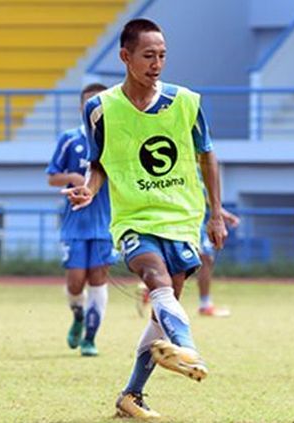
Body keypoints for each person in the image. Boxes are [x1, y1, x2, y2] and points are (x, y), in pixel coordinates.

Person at [63, 18, 228, 419]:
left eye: (162, 56)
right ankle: (188, 348)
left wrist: (216, 212)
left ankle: (131, 396)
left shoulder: (187, 101)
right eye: (148, 55)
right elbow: (100, 163)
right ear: (126, 57)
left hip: (181, 217)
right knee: (154, 278)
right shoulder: (100, 109)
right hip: (133, 218)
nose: (157, 63)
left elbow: (207, 156)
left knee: (161, 311)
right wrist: (89, 187)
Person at [46, 82, 115, 357]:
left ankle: (90, 337)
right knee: (76, 281)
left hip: (105, 222)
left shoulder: (116, 139)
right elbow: (52, 177)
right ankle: (77, 315)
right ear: (81, 107)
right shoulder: (69, 139)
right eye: (89, 103)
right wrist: (74, 178)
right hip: (75, 223)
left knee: (98, 278)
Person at [137, 206, 240, 318]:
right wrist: (225, 216)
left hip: (181, 219)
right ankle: (204, 305)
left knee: (179, 258)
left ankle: (152, 287)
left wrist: (225, 215)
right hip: (191, 221)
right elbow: (209, 200)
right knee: (205, 259)